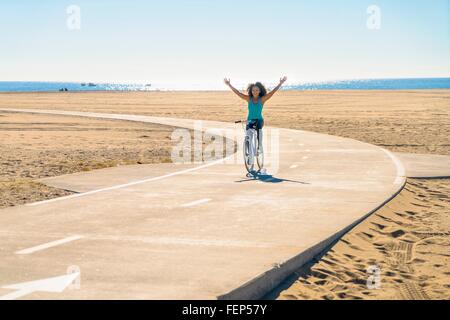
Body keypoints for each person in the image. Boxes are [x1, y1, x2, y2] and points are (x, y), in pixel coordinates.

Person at [224, 76, 287, 147]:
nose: (255, 92)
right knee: (248, 137)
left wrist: (280, 83)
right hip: (250, 120)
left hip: (259, 120)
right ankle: (248, 153)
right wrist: (229, 85)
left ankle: (259, 147)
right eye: (253, 90)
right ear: (251, 91)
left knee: (258, 133)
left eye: (257, 90)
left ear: (260, 91)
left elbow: (272, 92)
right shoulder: (248, 99)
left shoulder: (262, 99)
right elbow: (238, 93)